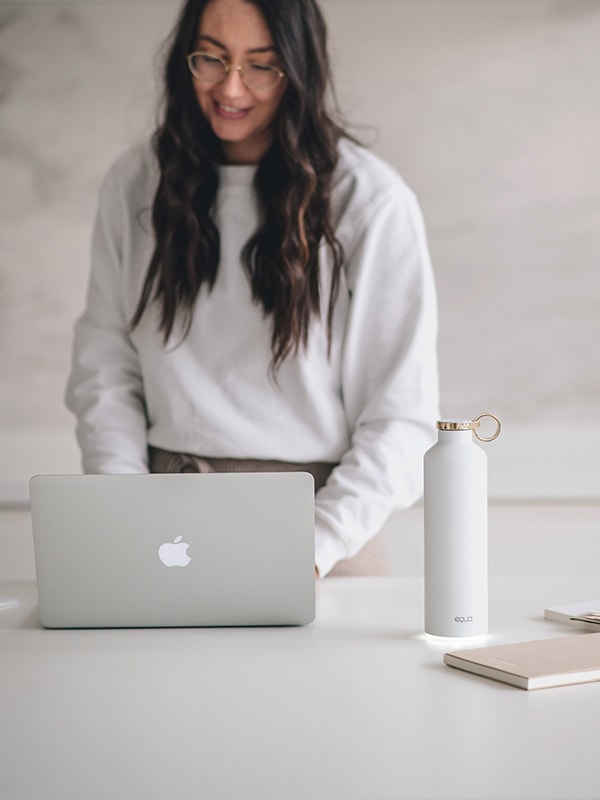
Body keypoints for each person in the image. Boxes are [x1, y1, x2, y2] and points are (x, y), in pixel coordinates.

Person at [65, 0, 439, 578]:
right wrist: (125, 509)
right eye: (211, 58)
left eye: (261, 66)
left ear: (300, 70)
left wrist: (314, 548)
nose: (230, 87)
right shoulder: (136, 184)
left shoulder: (371, 202)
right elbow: (105, 369)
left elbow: (400, 417)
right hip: (166, 524)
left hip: (325, 530)